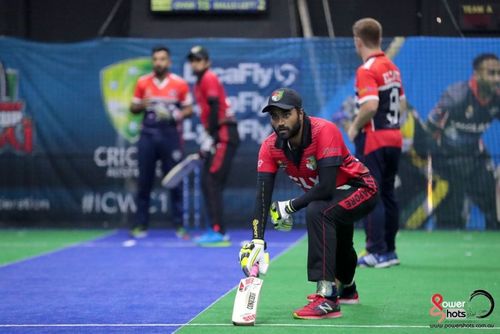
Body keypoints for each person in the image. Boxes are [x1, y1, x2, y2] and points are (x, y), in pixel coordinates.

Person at [239, 88, 378, 319]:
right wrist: (257, 240)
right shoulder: (270, 147)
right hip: (333, 197)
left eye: (286, 114)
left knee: (318, 211)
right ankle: (348, 289)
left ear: (300, 113)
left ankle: (327, 298)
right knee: (341, 244)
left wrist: (290, 206)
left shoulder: (324, 131)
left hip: (362, 188)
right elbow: (262, 197)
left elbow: (325, 187)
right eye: (274, 116)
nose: (280, 122)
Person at [347, 18, 406, 268]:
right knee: (389, 193)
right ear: (379, 38)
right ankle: (390, 251)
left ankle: (375, 251)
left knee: (372, 193)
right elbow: (402, 104)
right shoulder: (391, 66)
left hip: (374, 139)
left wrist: (354, 126)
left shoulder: (367, 69)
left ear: (358, 41)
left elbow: (370, 106)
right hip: (394, 137)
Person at [425, 53, 500, 229]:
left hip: (476, 160)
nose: (497, 78)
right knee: (449, 220)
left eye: (499, 73)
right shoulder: (455, 97)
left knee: (494, 209)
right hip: (447, 162)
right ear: (476, 74)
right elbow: (430, 128)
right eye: (491, 73)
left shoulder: (497, 98)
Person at [130, 46, 193, 239]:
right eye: (156, 59)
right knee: (144, 182)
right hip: (147, 136)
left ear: (169, 62)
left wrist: (175, 115)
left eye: (163, 59)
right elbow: (133, 108)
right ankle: (141, 225)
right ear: (152, 61)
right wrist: (142, 104)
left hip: (170, 137)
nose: (159, 62)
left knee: (175, 180)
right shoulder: (142, 83)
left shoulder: (180, 84)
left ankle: (179, 225)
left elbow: (189, 109)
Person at [187, 46, 240, 246]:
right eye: (192, 60)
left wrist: (213, 136)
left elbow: (215, 105)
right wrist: (208, 140)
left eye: (199, 60)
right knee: (208, 182)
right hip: (218, 135)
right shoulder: (199, 83)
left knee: (211, 182)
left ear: (207, 62)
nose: (195, 63)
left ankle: (218, 231)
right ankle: (217, 229)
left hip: (224, 135)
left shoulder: (208, 77)